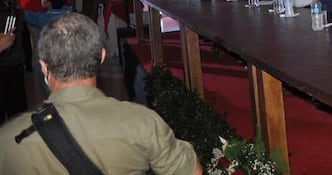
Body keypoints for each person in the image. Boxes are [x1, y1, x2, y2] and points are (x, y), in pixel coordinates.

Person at [0, 13, 202, 174]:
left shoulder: (8, 139)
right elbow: (191, 171)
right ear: (102, 57)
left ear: (43, 67)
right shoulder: (142, 122)